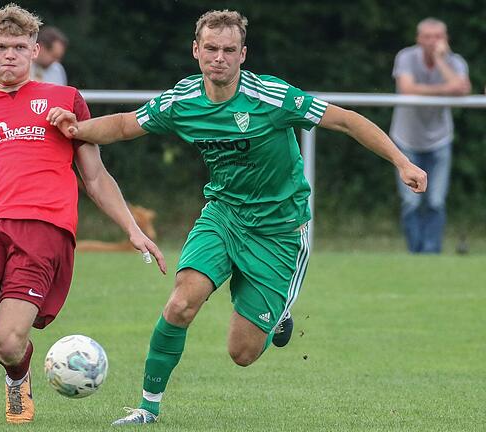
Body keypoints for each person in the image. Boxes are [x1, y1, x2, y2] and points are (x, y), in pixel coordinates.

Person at [47, 9, 427, 425]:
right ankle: (147, 409)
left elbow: (348, 121)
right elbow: (122, 126)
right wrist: (77, 129)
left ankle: (276, 316)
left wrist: (402, 162)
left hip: (279, 231)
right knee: (180, 304)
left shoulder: (272, 98)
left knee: (241, 353)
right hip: (223, 217)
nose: (219, 57)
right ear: (196, 51)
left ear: (243, 54)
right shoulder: (183, 101)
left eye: (229, 49)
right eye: (211, 48)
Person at [0, 4, 165, 431]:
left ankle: (17, 374)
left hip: (43, 231)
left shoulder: (65, 101)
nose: (10, 55)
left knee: (6, 341)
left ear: (35, 51)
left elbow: (96, 178)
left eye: (19, 47)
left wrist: (132, 230)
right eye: (1, 47)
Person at [390, 18, 470, 254]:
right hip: (406, 139)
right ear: (418, 38)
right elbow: (407, 89)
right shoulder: (406, 56)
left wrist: (439, 60)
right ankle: (415, 253)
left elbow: (463, 88)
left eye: (438, 37)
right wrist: (446, 90)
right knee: (411, 202)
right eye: (427, 36)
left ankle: (431, 253)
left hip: (439, 139)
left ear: (446, 39)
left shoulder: (454, 61)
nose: (432, 42)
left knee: (436, 201)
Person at [0, 25, 68, 89]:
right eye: (54, 56)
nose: (56, 61)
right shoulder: (15, 61)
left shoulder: (57, 69)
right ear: (41, 48)